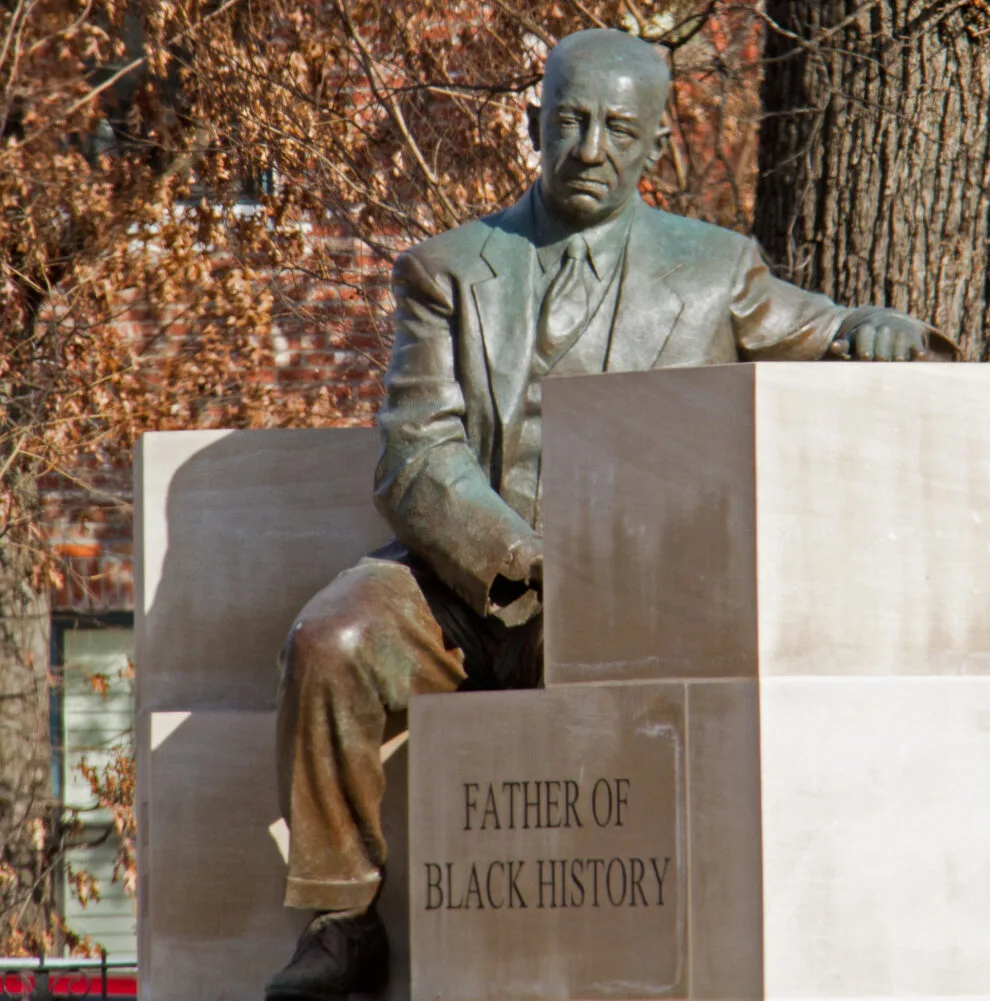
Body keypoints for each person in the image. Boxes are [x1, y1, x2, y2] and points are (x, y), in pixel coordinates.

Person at [264, 27, 953, 1001]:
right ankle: (341, 921)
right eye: (570, 122)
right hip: (462, 583)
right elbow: (415, 453)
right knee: (329, 638)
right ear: (534, 124)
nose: (589, 149)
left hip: (628, 592)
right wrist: (516, 559)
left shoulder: (714, 269)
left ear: (655, 144)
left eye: (616, 130)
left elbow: (827, 330)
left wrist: (877, 332)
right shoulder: (450, 269)